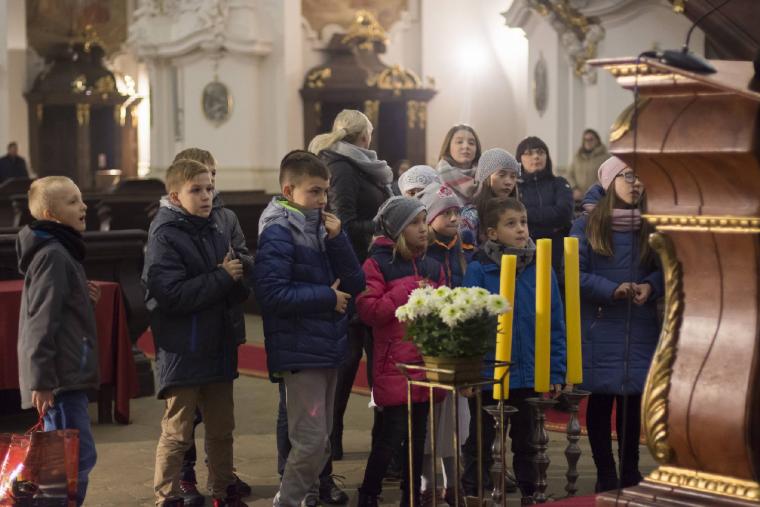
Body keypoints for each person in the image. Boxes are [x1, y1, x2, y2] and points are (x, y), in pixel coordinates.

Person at [252, 150, 365, 507]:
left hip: (327, 344)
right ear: (289, 191)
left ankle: (304, 498)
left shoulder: (323, 227)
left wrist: (339, 238)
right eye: (314, 191)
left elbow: (356, 282)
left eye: (326, 191)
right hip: (300, 348)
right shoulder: (278, 231)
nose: (323, 199)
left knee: (322, 439)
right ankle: (286, 502)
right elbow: (271, 294)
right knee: (310, 440)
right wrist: (327, 298)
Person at [144, 159, 251, 507]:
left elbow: (236, 281)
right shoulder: (164, 234)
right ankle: (167, 496)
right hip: (184, 347)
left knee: (221, 429)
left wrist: (236, 277)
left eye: (209, 189)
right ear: (175, 196)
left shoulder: (217, 226)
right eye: (197, 190)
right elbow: (170, 294)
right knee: (178, 431)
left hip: (217, 343)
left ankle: (223, 490)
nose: (206, 196)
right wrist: (222, 276)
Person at [462, 197, 567, 503]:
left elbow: (555, 322)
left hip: (529, 372)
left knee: (528, 444)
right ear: (492, 233)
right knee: (480, 442)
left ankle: (531, 495)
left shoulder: (541, 268)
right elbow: (468, 325)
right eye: (511, 224)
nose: (521, 229)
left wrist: (556, 370)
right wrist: (469, 372)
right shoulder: (480, 270)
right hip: (489, 374)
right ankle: (473, 494)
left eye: (524, 222)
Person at [570, 156, 662, 492]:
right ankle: (606, 472)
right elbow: (573, 274)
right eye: (629, 176)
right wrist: (611, 289)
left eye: (642, 177)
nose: (637, 183)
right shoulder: (587, 225)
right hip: (601, 324)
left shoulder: (651, 224)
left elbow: (667, 267)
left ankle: (630, 470)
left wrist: (651, 285)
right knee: (601, 400)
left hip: (640, 324)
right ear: (610, 181)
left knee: (632, 402)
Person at [308, 109, 393, 461]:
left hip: (374, 268)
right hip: (354, 269)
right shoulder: (342, 166)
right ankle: (333, 438)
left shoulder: (363, 165)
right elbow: (341, 221)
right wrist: (384, 227)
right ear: (363, 135)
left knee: (377, 359)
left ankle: (383, 442)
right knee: (347, 360)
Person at [356, 197, 444, 507]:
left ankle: (411, 495)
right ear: (396, 229)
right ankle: (368, 493)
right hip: (395, 364)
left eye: (424, 221)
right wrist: (406, 290)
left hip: (426, 361)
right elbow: (370, 312)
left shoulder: (433, 264)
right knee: (391, 436)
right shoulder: (377, 264)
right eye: (415, 223)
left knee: (418, 437)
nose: (424, 229)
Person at [16, 176, 98, 506]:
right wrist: (42, 381)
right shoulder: (53, 255)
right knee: (71, 462)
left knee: (69, 461)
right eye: (73, 201)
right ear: (51, 214)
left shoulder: (61, 250)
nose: (83, 206)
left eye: (81, 198)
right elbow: (40, 322)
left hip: (65, 375)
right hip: (59, 381)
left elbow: (60, 311)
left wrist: (83, 298)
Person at [416, 184, 469, 506]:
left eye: (456, 212)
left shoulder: (461, 249)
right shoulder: (423, 253)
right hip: (427, 348)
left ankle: (453, 483)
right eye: (445, 212)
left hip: (456, 347)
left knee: (454, 422)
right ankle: (426, 483)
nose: (453, 218)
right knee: (427, 424)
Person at [515, 136, 574, 278]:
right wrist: (550, 219)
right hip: (524, 248)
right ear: (519, 159)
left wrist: (528, 214)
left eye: (540, 152)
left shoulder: (559, 183)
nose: (536, 156)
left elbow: (564, 213)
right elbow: (514, 216)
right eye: (529, 153)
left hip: (558, 249)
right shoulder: (515, 188)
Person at [460, 148, 521, 250]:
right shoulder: (471, 216)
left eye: (513, 176)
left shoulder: (516, 212)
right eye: (502, 175)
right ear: (486, 177)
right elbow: (465, 253)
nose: (509, 182)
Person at [436, 124, 482, 204]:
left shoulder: (486, 176)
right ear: (448, 147)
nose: (466, 146)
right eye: (459, 142)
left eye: (471, 143)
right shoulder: (436, 178)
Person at [566, 129, 609, 201]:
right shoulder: (577, 157)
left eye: (591, 139)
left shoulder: (606, 157)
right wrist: (574, 188)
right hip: (578, 198)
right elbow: (569, 174)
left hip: (597, 198)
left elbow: (606, 177)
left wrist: (593, 190)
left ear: (597, 141)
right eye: (585, 140)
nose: (588, 142)